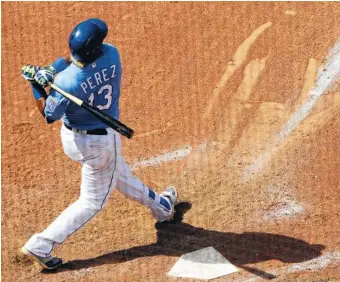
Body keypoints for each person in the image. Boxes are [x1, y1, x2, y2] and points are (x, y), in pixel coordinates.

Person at [20, 18, 177, 271]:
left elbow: (49, 115)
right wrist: (51, 69)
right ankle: (40, 245)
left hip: (74, 140)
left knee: (118, 174)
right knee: (92, 202)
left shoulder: (66, 83)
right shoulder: (112, 55)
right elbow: (77, 59)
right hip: (101, 142)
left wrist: (36, 84)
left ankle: (162, 207)